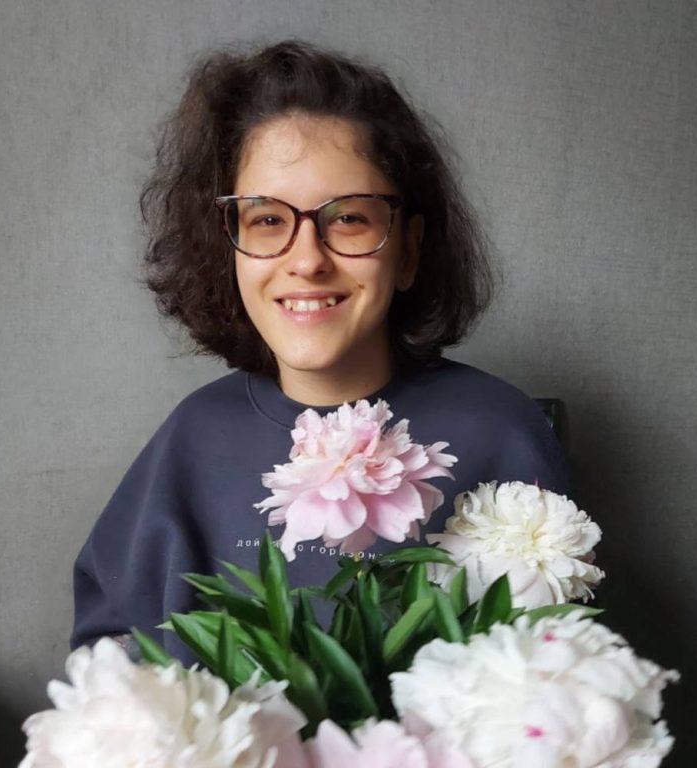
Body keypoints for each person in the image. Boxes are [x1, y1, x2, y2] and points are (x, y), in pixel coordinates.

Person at [71, 40, 570, 664]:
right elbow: (110, 658)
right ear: (226, 249)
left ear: (409, 250)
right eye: (267, 220)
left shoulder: (501, 430)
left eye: (350, 219)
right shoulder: (190, 438)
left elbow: (557, 671)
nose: (307, 260)